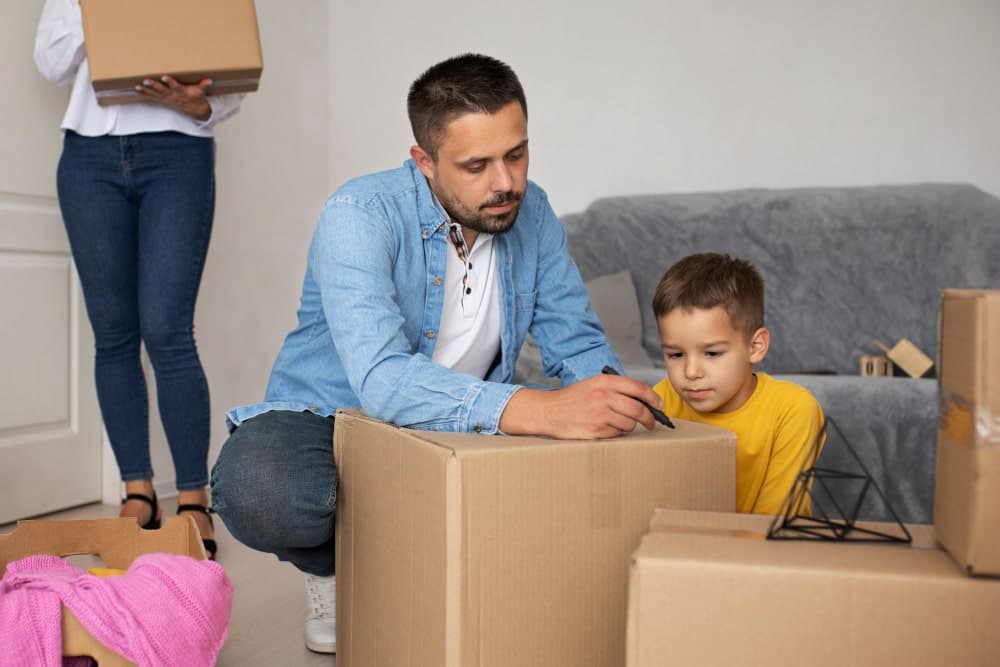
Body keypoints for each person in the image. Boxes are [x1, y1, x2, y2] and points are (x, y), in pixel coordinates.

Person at [209, 53, 663, 654]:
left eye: (517, 154)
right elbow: (382, 379)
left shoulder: (534, 213)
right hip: (332, 418)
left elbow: (576, 342)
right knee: (261, 489)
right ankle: (334, 569)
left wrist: (617, 404)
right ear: (423, 161)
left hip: (461, 427)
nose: (505, 183)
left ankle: (411, 564)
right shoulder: (359, 214)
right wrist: (541, 411)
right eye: (476, 165)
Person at [35, 0, 245, 559]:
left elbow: (233, 71)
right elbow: (51, 63)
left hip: (178, 153)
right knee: (114, 334)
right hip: (88, 157)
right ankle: (138, 490)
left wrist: (198, 104)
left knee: (168, 330)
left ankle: (194, 500)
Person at [650, 252, 825, 515]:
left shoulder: (793, 410)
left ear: (755, 347)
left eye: (712, 353)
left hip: (760, 552)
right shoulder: (662, 399)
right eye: (675, 355)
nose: (691, 372)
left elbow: (773, 525)